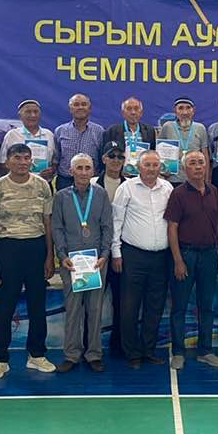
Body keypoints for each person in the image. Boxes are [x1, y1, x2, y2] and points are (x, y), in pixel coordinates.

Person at [0, 143, 56, 378]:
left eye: (26, 158)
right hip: (7, 250)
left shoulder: (42, 185)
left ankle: (37, 355)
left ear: (31, 161)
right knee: (3, 307)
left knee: (37, 306)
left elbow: (47, 223)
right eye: (17, 158)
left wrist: (49, 256)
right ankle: (0, 359)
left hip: (36, 248)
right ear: (7, 161)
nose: (22, 162)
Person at [165, 151, 218, 370]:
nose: (198, 166)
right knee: (179, 307)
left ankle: (205, 351)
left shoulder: (214, 192)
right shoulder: (178, 194)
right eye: (193, 163)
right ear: (185, 168)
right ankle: (178, 352)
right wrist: (178, 260)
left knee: (206, 306)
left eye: (201, 162)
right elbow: (172, 227)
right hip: (186, 254)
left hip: (209, 255)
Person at [111, 150, 173, 368]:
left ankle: (149, 350)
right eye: (147, 165)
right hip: (133, 256)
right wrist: (116, 252)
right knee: (129, 307)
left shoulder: (167, 188)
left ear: (160, 167)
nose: (151, 169)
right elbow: (116, 221)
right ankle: (132, 353)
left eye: (155, 165)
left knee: (154, 307)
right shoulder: (126, 188)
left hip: (161, 257)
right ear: (138, 167)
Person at [52, 153, 113, 373]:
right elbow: (57, 228)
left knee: (95, 309)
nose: (84, 172)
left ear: (93, 171)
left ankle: (94, 354)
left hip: (96, 262)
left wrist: (104, 254)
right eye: (79, 168)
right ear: (71, 171)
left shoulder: (101, 194)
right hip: (71, 262)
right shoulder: (61, 196)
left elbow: (107, 226)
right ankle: (71, 354)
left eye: (88, 168)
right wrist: (62, 256)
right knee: (73, 309)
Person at [94, 141, 128, 356]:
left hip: (119, 252)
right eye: (112, 156)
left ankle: (119, 345)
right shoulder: (91, 183)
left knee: (121, 301)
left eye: (120, 157)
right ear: (104, 159)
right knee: (91, 303)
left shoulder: (130, 185)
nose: (116, 160)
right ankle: (90, 347)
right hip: (94, 252)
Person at [54, 93, 105, 190]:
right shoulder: (60, 131)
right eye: (76, 104)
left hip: (91, 181)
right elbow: (56, 158)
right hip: (65, 181)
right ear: (70, 109)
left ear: (89, 108)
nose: (80, 107)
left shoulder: (99, 131)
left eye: (84, 104)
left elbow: (102, 159)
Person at [0, 99, 57, 182]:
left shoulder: (49, 135)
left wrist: (52, 170)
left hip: (44, 183)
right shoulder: (12, 135)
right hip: (17, 184)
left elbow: (55, 161)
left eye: (36, 112)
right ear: (20, 115)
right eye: (28, 112)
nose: (33, 115)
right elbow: (2, 163)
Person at [158, 96, 210, 184]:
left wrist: (206, 179)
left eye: (188, 108)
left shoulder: (200, 128)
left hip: (195, 179)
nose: (185, 112)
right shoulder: (167, 127)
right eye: (181, 108)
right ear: (175, 111)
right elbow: (159, 152)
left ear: (193, 111)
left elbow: (205, 154)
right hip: (172, 179)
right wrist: (161, 175)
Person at [102, 97, 156, 177]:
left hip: (143, 176)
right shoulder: (112, 131)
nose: (133, 112)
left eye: (136, 109)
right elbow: (106, 155)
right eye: (129, 109)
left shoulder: (149, 131)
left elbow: (152, 153)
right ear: (123, 113)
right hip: (120, 176)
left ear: (141, 113)